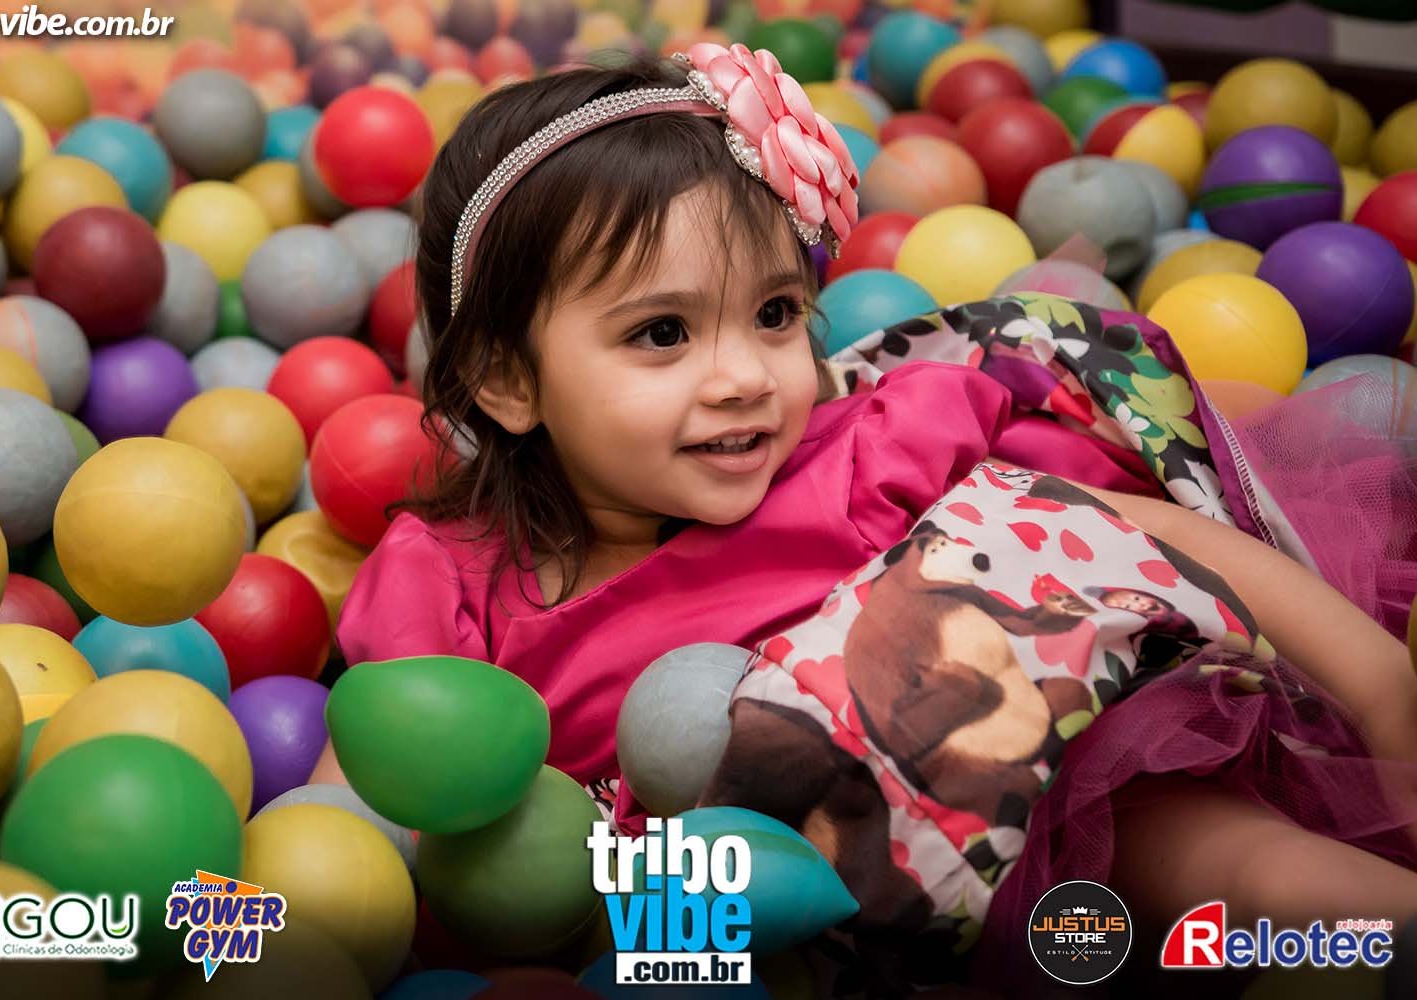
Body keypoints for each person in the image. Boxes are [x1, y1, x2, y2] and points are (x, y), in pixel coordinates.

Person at [315, 45, 1417, 992]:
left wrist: (1376, 682)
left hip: (1033, 818)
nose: (745, 377)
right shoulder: (449, 585)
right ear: (508, 381)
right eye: (662, 334)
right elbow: (352, 825)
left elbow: (1129, 537)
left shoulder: (865, 460)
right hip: (722, 947)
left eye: (774, 312)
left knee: (1222, 862)